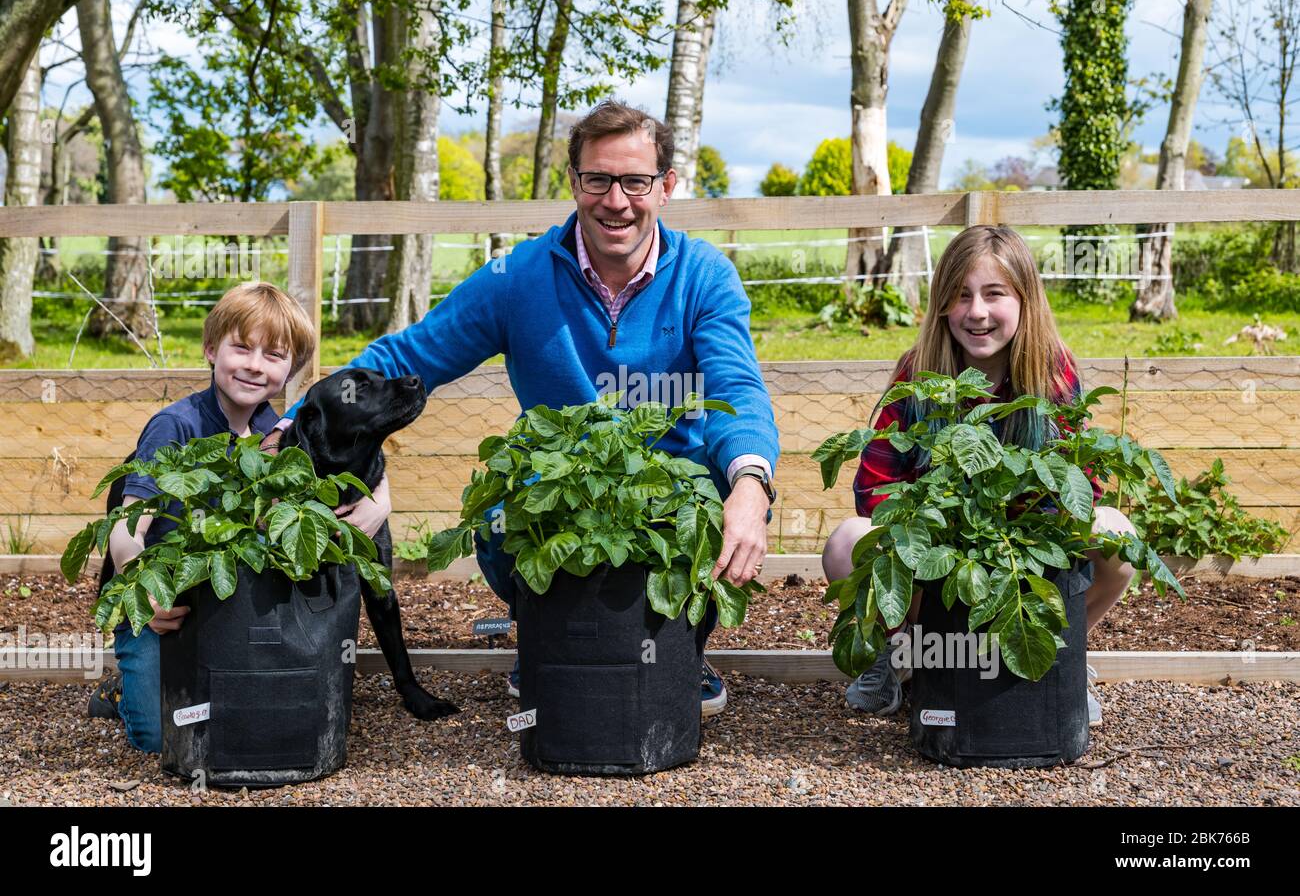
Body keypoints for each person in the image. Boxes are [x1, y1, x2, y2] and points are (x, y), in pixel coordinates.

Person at [259, 98, 781, 717]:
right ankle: (547, 635)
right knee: (504, 519)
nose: (616, 201)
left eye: (635, 181)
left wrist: (751, 484)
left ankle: (675, 651)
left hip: (668, 487)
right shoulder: (521, 277)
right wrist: (299, 424)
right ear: (574, 182)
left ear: (665, 187)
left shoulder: (704, 277)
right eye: (598, 180)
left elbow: (737, 389)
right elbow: (410, 358)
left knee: (718, 493)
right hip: (561, 486)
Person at [820, 225, 1131, 726]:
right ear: (942, 303)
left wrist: (1021, 538)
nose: (977, 312)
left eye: (994, 294)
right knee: (846, 542)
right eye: (961, 295)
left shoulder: (1051, 371)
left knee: (1115, 532)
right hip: (938, 565)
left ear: (1025, 300)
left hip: (1024, 561)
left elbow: (1083, 484)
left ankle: (1060, 659)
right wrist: (935, 533)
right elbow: (874, 484)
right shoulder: (919, 371)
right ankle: (903, 657)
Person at [87, 281, 334, 752]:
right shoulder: (175, 426)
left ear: (291, 370)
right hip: (166, 609)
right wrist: (148, 593)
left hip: (229, 608)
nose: (254, 365)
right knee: (161, 740)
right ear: (209, 349)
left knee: (241, 728)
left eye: (274, 355)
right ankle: (121, 692)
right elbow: (126, 527)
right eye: (241, 348)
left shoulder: (275, 434)